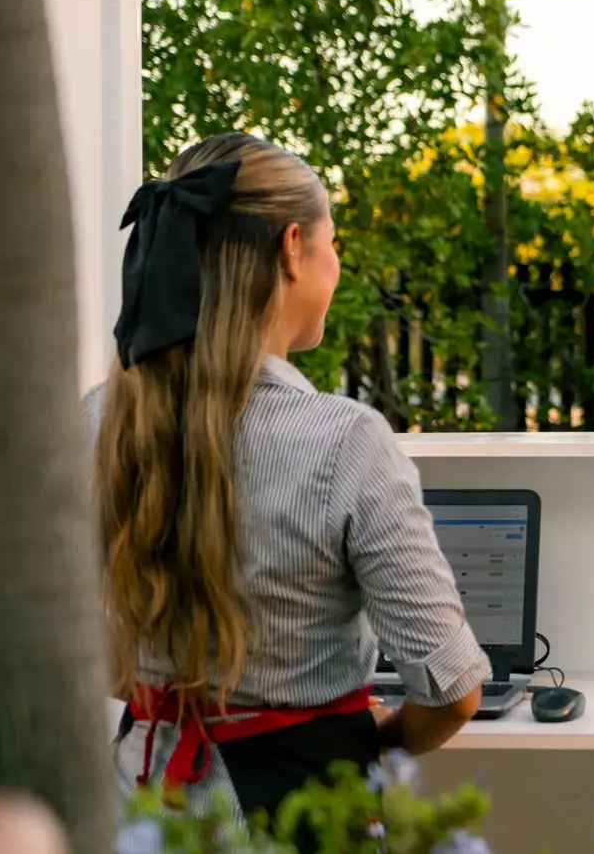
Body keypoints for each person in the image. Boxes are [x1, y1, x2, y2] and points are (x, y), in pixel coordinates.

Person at [84, 134, 492, 827]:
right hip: (300, 815)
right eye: (334, 243)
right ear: (293, 247)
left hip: (135, 810)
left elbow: (79, 644)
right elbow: (453, 690)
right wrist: (379, 734)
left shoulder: (101, 418)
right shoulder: (345, 441)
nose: (337, 262)